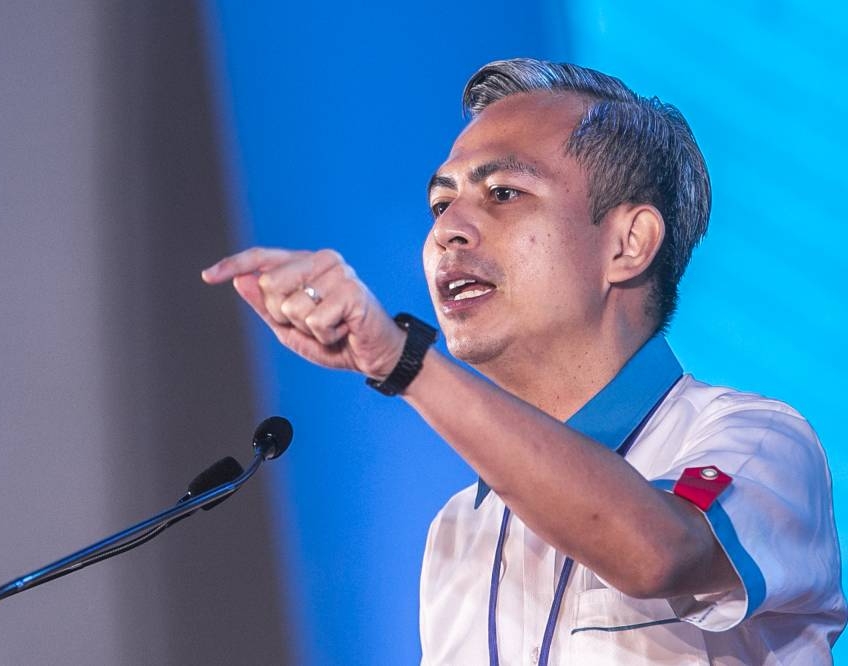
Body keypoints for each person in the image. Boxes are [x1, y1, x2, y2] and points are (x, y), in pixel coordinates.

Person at [202, 58, 845, 664]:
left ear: (630, 242)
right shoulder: (460, 527)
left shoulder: (755, 439)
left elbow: (659, 553)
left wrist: (405, 362)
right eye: (440, 203)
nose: (446, 229)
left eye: (504, 193)